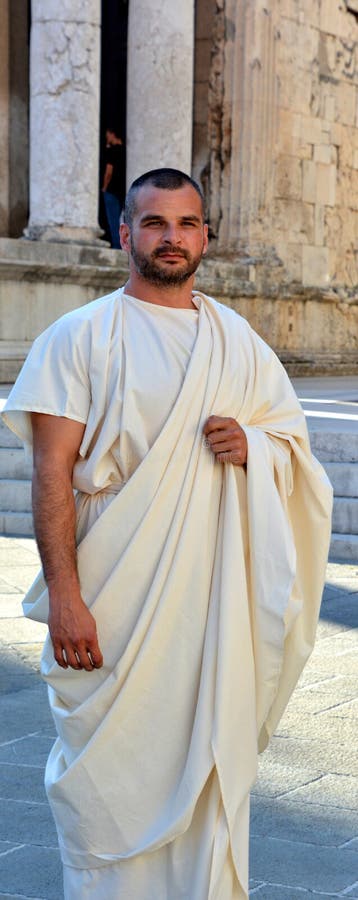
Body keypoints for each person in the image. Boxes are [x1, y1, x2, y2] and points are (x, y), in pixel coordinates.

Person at [2, 168, 332, 900]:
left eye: (186, 224)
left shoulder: (237, 342)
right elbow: (51, 473)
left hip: (211, 613)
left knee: (208, 779)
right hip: (114, 600)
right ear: (127, 233)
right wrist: (65, 596)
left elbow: (297, 456)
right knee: (105, 795)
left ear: (205, 236)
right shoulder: (80, 336)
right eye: (154, 223)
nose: (171, 238)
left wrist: (258, 448)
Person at [101, 127, 125, 249]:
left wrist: (104, 187)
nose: (107, 137)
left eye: (107, 135)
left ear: (112, 134)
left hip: (111, 190)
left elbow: (109, 172)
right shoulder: (125, 150)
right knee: (123, 220)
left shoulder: (112, 152)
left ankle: (117, 246)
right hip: (123, 190)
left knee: (113, 220)